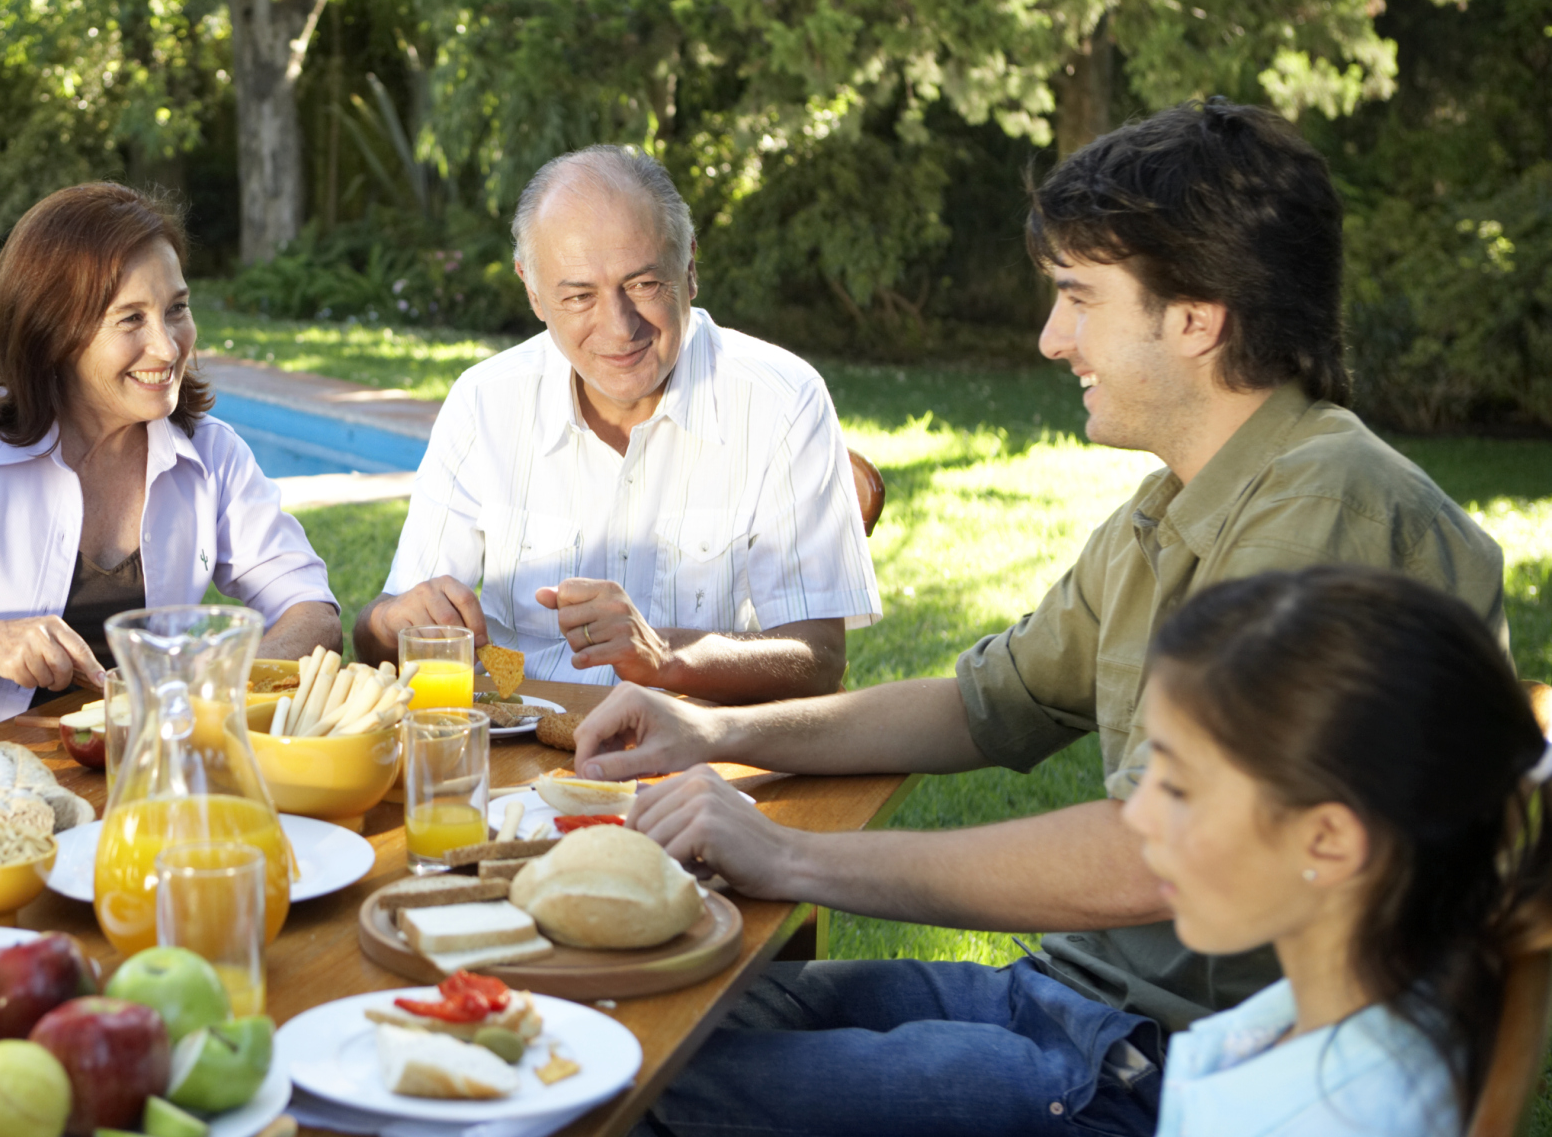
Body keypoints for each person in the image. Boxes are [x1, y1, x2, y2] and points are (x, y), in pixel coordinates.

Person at [582, 102, 1507, 1135]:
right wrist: (714, 728)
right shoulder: (1175, 504)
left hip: (1162, 1068)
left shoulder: (1325, 510)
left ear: (1196, 316)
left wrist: (789, 856)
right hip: (1072, 1003)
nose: (1049, 336)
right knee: (622, 1008)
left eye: (1076, 297)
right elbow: (991, 701)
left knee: (616, 1088)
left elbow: (1154, 854)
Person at [357, 145, 878, 702]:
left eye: (644, 284)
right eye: (579, 295)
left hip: (699, 757)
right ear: (532, 290)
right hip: (521, 752)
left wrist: (666, 655)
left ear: (691, 266)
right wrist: (393, 622)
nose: (619, 327)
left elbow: (819, 659)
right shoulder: (483, 401)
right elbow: (382, 643)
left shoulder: (783, 401)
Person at [0, 182, 341, 730]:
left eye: (176, 308)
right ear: (54, 333)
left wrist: (220, 682)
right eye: (130, 318)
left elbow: (312, 612)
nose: (166, 347)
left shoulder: (212, 454)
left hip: (140, 771)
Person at [1127, 567, 1545, 1136]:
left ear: (1327, 842)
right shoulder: (1400, 1000)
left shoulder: (1334, 1118)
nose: (1135, 813)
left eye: (1176, 787)